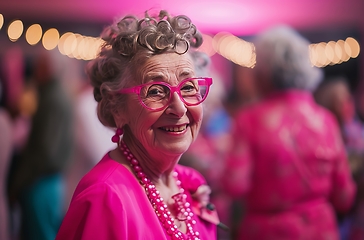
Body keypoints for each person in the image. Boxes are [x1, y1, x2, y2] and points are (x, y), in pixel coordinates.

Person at [56, 10, 217, 240]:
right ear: (117, 107)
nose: (180, 108)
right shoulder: (105, 198)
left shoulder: (190, 184)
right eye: (155, 91)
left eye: (189, 87)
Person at [222, 25, 356, 240]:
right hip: (321, 231)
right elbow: (344, 196)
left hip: (267, 232)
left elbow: (235, 184)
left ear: (263, 72)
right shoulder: (326, 120)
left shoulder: (250, 120)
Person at [7, 50, 75, 240]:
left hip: (41, 181)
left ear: (50, 68)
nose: (36, 69)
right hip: (48, 180)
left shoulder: (52, 99)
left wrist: (19, 182)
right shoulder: (54, 94)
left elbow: (45, 152)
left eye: (40, 65)